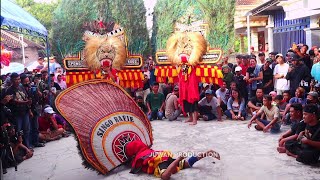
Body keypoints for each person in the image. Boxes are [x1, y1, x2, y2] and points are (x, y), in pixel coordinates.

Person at [125, 140, 220, 180]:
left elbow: (135, 168)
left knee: (165, 176)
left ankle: (178, 159)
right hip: (165, 156)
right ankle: (207, 153)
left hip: (160, 162)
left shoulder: (138, 157)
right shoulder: (146, 150)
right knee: (187, 163)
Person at [5, 73, 32, 148]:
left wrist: (29, 107)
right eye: (15, 79)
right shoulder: (9, 90)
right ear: (12, 80)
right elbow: (13, 101)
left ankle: (27, 145)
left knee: (27, 130)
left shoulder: (21, 87)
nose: (17, 81)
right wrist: (25, 102)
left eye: (18, 79)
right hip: (16, 113)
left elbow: (25, 96)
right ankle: (20, 148)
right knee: (18, 131)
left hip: (25, 111)